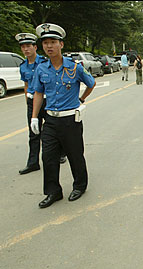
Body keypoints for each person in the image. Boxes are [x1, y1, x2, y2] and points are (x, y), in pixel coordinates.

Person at [31, 23, 96, 209]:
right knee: (48, 157)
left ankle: (79, 186)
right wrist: (35, 117)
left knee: (75, 155)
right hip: (50, 120)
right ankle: (53, 192)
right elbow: (37, 93)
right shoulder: (41, 69)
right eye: (45, 43)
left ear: (61, 44)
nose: (49, 46)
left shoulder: (75, 68)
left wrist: (81, 99)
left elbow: (91, 83)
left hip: (70, 120)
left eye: (53, 42)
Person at [16, 32, 66, 175]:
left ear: (35, 47)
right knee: (33, 132)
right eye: (23, 47)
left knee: (55, 130)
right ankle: (33, 163)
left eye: (28, 46)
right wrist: (28, 101)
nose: (26, 50)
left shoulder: (44, 62)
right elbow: (26, 84)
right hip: (33, 101)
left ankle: (61, 153)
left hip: (47, 100)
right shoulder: (23, 66)